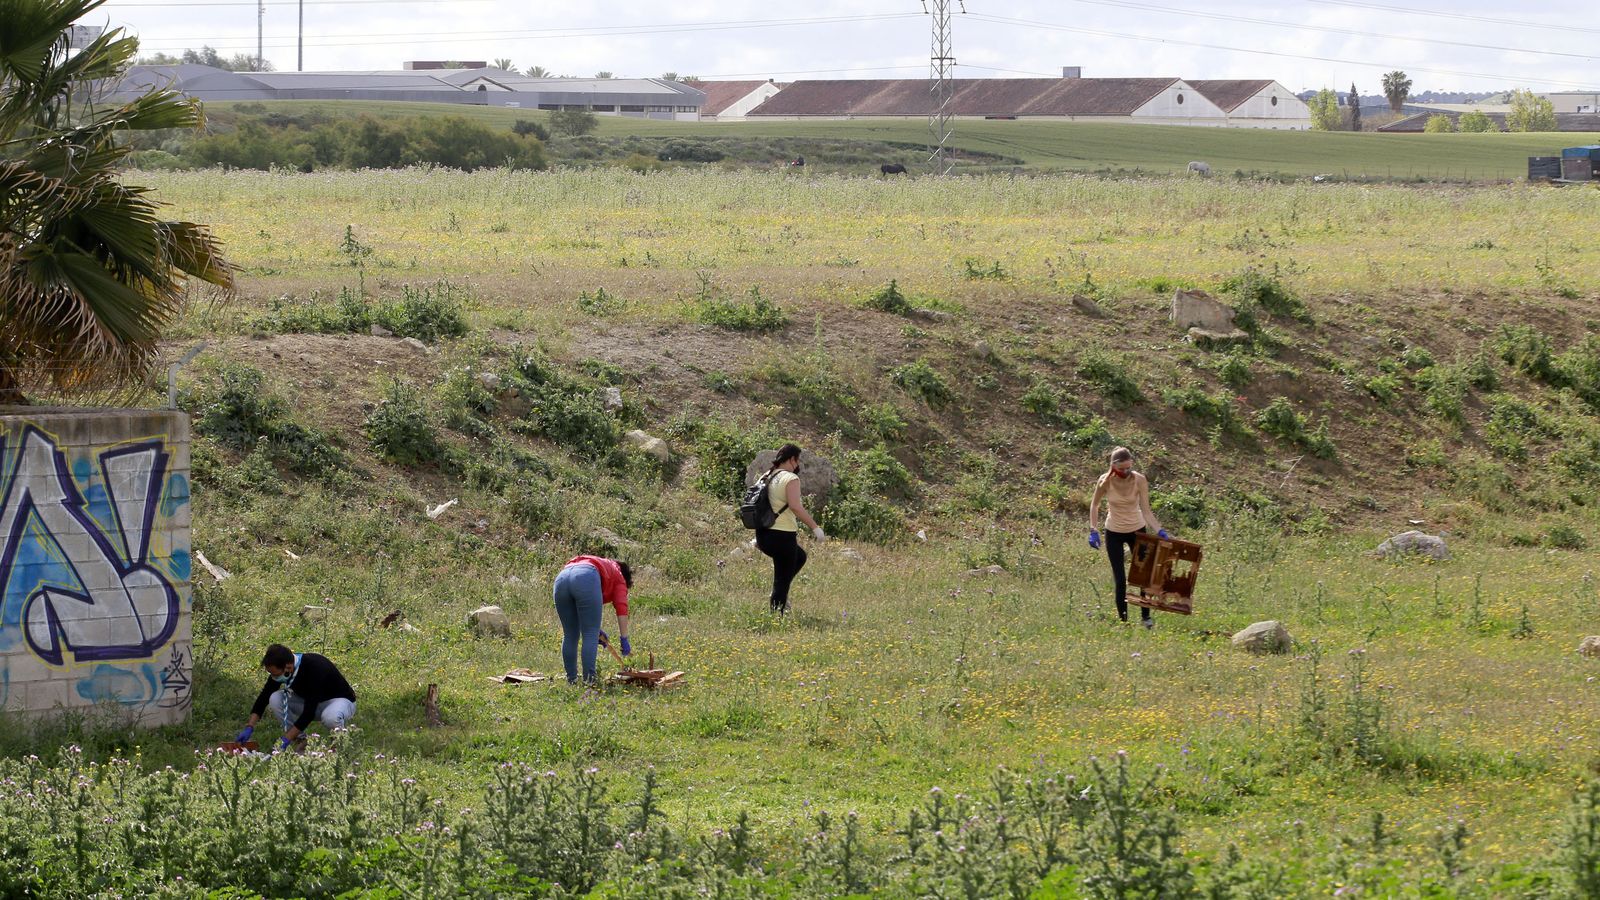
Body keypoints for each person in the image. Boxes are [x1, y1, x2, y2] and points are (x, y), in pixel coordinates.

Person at [1087, 446, 1170, 629]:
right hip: (1113, 532)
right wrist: (1093, 530)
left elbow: (1147, 511)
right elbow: (1094, 505)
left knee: (1143, 576)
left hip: (1137, 530)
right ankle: (1124, 621)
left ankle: (1146, 618)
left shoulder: (1139, 480)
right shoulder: (1105, 481)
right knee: (1120, 579)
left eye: (1128, 467)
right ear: (1113, 466)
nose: (1125, 471)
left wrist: (1159, 530)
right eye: (1122, 468)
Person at [236, 644, 356, 751]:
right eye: (270, 674)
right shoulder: (281, 670)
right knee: (275, 698)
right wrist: (249, 727)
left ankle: (339, 745)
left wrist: (285, 739)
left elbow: (308, 713)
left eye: (275, 674)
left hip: (339, 702)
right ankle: (300, 740)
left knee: (331, 717)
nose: (274, 677)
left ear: (288, 667)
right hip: (312, 703)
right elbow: (264, 697)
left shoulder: (315, 667)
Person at [754, 443, 826, 614]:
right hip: (782, 536)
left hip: (763, 534)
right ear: (792, 459)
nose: (798, 465)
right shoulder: (791, 478)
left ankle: (780, 593)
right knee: (781, 579)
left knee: (800, 557)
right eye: (797, 461)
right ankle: (776, 616)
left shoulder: (766, 475)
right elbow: (795, 506)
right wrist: (815, 527)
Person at [552, 554, 633, 684]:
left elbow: (581, 607)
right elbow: (621, 607)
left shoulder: (604, 566)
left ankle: (571, 680)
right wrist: (624, 639)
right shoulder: (619, 576)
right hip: (586, 576)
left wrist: (596, 627)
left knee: (570, 635)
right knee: (590, 633)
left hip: (562, 578)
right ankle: (589, 681)